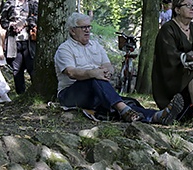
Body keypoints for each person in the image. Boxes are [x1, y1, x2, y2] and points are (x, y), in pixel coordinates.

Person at [55, 12, 184, 124]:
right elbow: (71, 72)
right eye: (83, 27)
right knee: (95, 78)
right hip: (70, 94)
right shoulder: (65, 49)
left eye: (89, 27)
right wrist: (93, 73)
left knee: (126, 102)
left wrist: (107, 72)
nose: (87, 30)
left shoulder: (95, 45)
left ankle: (156, 116)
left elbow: (108, 65)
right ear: (72, 30)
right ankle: (125, 109)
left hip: (96, 92)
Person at [0, 0, 38, 95]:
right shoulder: (9, 3)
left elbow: (38, 16)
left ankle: (36, 94)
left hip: (30, 39)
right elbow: (3, 21)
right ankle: (21, 95)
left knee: (32, 67)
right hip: (14, 40)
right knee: (17, 69)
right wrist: (12, 25)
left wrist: (25, 23)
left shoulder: (33, 1)